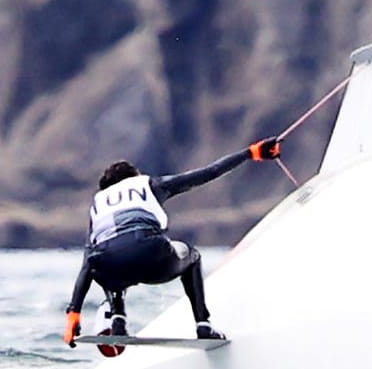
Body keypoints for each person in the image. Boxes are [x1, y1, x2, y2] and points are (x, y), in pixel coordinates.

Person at [63, 137, 282, 347]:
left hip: (112, 267)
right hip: (152, 257)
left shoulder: (98, 205)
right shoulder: (150, 184)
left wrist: (74, 313)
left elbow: (87, 264)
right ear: (134, 176)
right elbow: (209, 172)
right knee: (192, 256)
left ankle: (118, 319)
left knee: (106, 259)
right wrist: (250, 153)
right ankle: (203, 325)